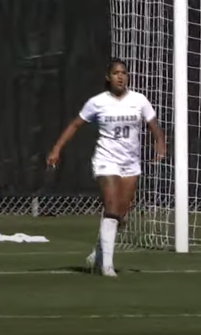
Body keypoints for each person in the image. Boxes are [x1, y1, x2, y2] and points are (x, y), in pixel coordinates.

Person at [47, 58, 167, 277]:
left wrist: (160, 141)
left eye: (124, 72)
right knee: (111, 207)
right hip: (106, 160)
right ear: (108, 77)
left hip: (131, 163)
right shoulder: (97, 102)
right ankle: (107, 267)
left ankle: (99, 253)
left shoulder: (139, 100)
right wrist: (56, 149)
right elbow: (75, 124)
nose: (120, 76)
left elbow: (154, 126)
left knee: (120, 213)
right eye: (116, 73)